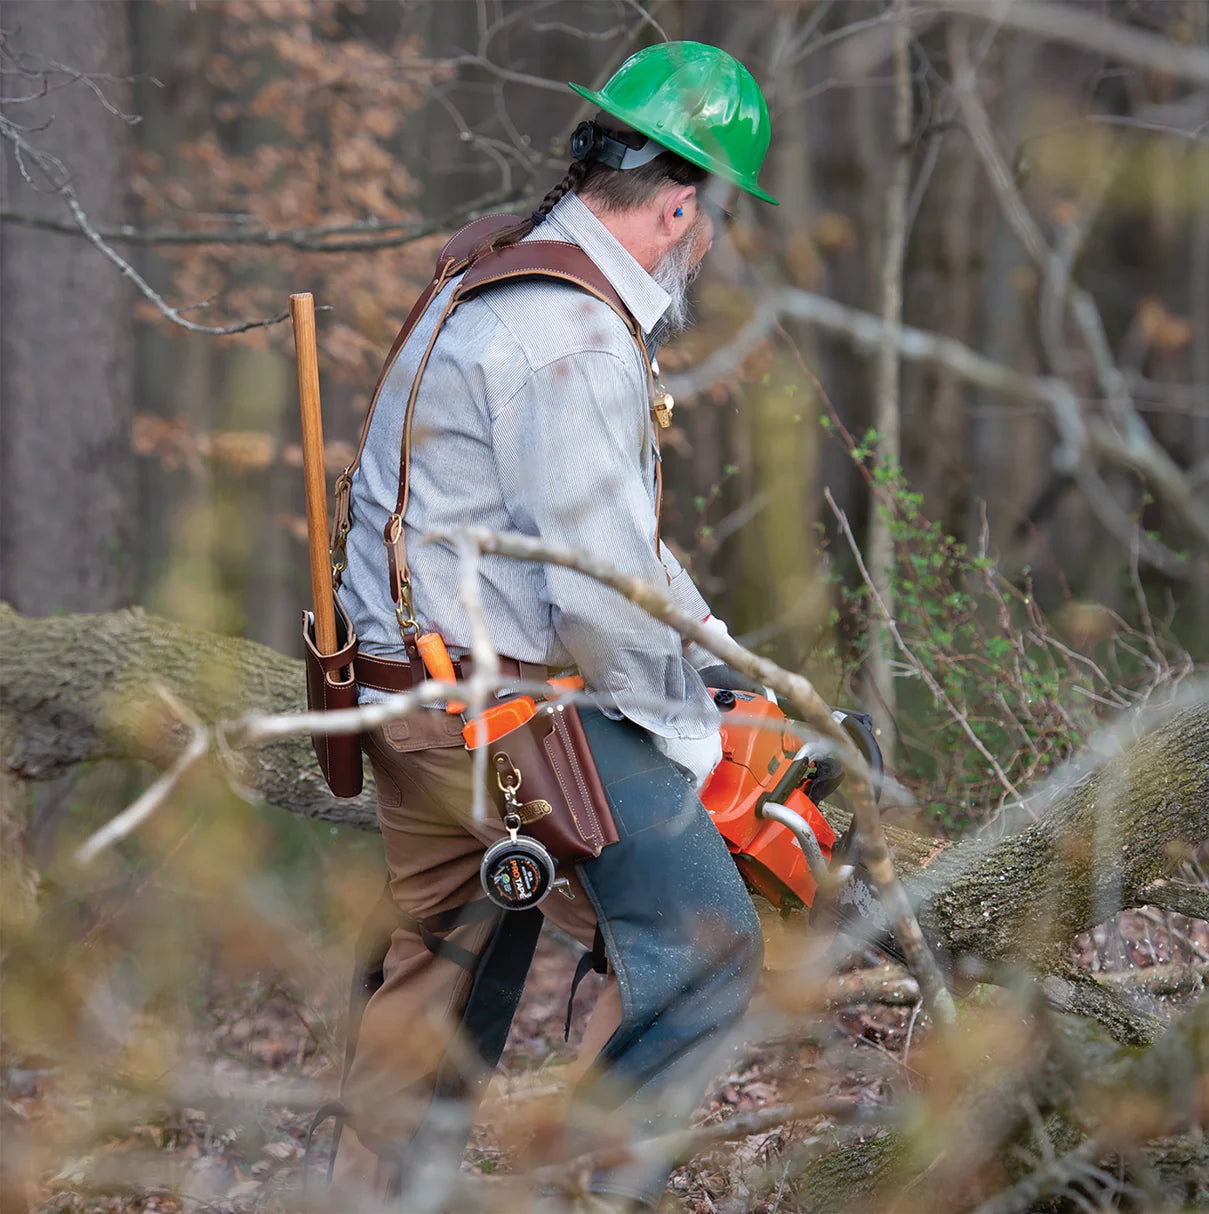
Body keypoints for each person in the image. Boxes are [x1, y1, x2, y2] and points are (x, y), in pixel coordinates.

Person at [331, 40, 780, 1211]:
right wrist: (691, 733)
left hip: (407, 684)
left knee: (445, 979)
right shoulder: (572, 337)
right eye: (708, 218)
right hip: (494, 710)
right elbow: (600, 593)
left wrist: (717, 649)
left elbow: (606, 541)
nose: (704, 241)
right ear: (677, 206)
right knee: (707, 950)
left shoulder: (490, 263)